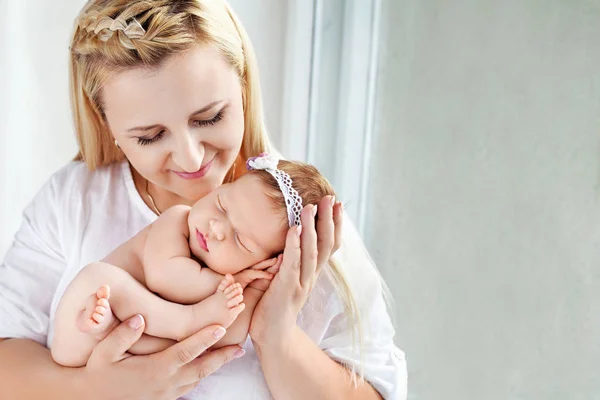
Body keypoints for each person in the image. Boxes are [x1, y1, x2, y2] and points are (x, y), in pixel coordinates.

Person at [0, 0, 407, 399]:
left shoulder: (302, 226)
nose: (192, 158)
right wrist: (91, 390)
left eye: (209, 118)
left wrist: (275, 335)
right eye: (150, 136)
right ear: (106, 124)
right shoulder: (74, 201)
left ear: (244, 86)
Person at [51, 156, 335, 368]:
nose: (216, 227)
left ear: (265, 261)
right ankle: (107, 325)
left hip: (126, 365)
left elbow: (224, 336)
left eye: (240, 240)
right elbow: (165, 277)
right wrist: (224, 289)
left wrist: (256, 289)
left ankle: (109, 327)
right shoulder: (177, 221)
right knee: (97, 276)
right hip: (77, 331)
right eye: (222, 204)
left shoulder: (235, 282)